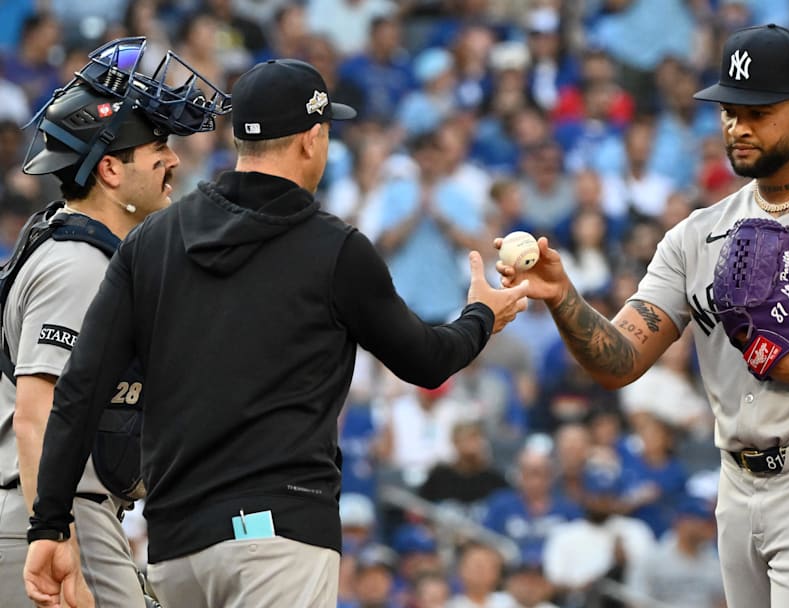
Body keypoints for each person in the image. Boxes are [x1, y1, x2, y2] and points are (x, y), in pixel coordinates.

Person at [23, 57, 530, 608]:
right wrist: (481, 315)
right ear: (312, 140)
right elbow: (426, 362)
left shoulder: (152, 241)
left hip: (176, 550)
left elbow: (79, 391)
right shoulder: (334, 248)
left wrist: (48, 525)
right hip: (279, 534)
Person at [497, 23, 789, 608]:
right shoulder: (697, 234)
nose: (736, 126)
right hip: (738, 483)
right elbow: (619, 361)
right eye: (728, 109)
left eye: (757, 111)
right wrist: (563, 296)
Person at [1, 37, 228, 607]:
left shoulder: (87, 248)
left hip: (66, 509)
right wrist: (55, 537)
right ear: (108, 169)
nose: (173, 160)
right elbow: (38, 417)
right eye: (158, 147)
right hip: (55, 509)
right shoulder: (77, 264)